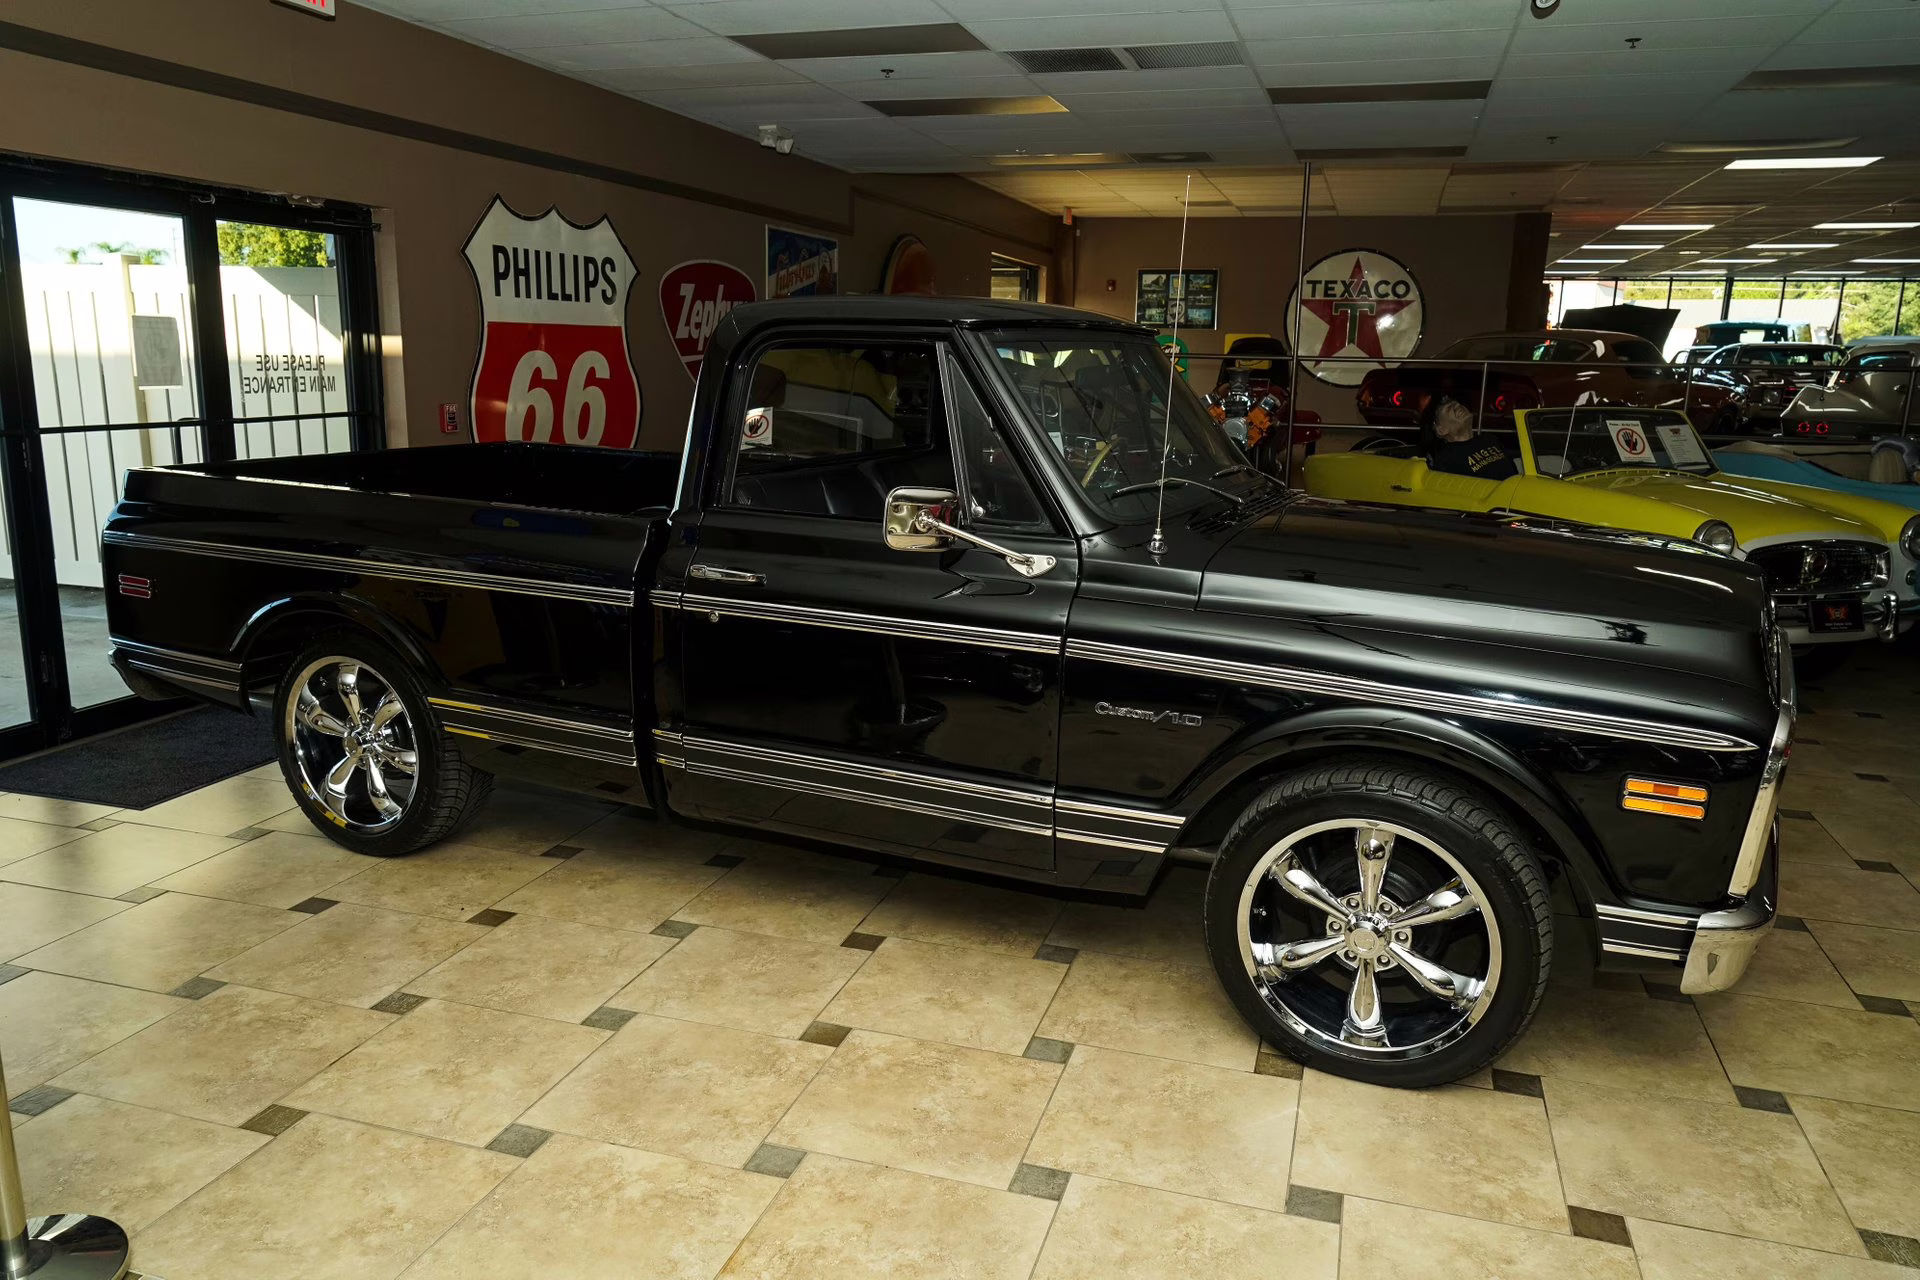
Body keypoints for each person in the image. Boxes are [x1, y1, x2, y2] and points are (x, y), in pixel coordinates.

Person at [1427, 396, 1518, 480]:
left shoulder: (1489, 439)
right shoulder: (1447, 459)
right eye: (1448, 409)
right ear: (1441, 430)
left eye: (1457, 403)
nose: (1457, 406)